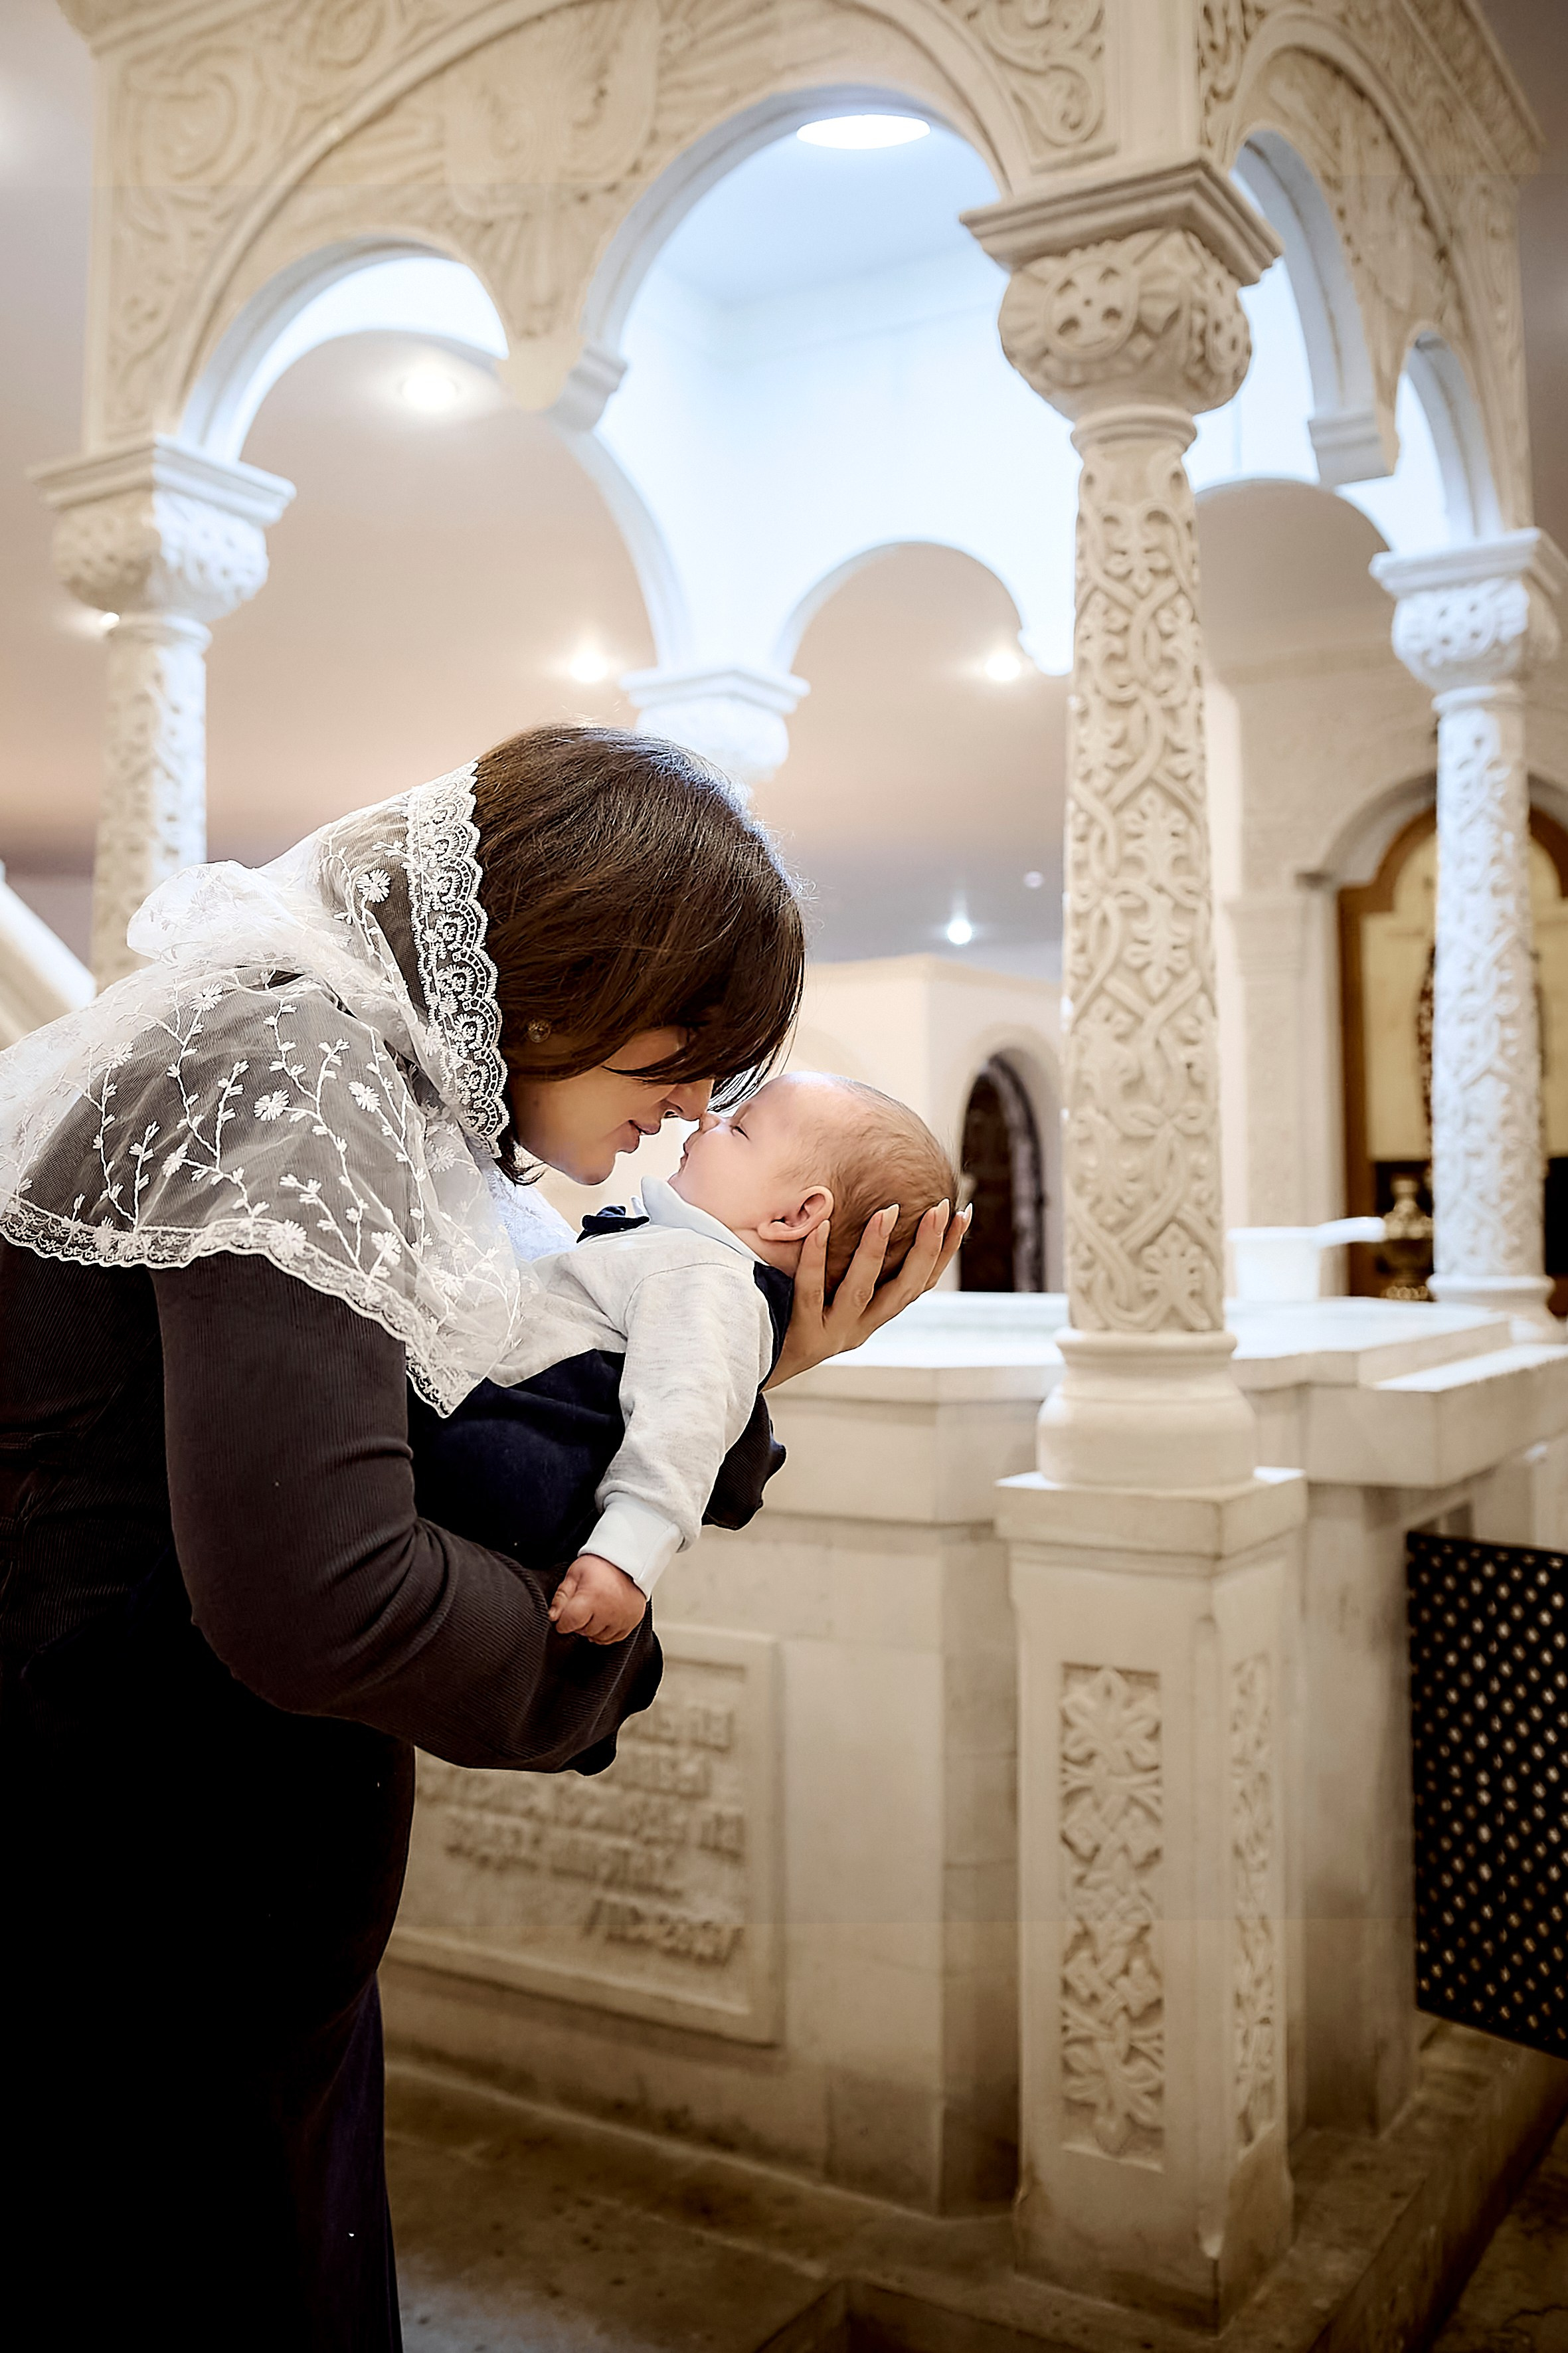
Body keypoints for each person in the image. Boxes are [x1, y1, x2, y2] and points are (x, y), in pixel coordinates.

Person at [0, 726, 966, 2352]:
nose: (683, 1109)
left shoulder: (354, 1082)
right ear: (571, 967)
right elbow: (331, 1597)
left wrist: (746, 1359)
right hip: (141, 1919)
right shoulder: (296, 1080)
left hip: (209, 1903)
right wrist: (607, 1658)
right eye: (686, 1052)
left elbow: (456, 1453)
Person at [411, 1071, 958, 1644]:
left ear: (794, 1216)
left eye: (740, 1129)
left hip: (503, 1452)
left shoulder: (712, 1279)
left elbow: (683, 1423)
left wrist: (626, 1559)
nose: (707, 1119)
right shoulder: (689, 1260)